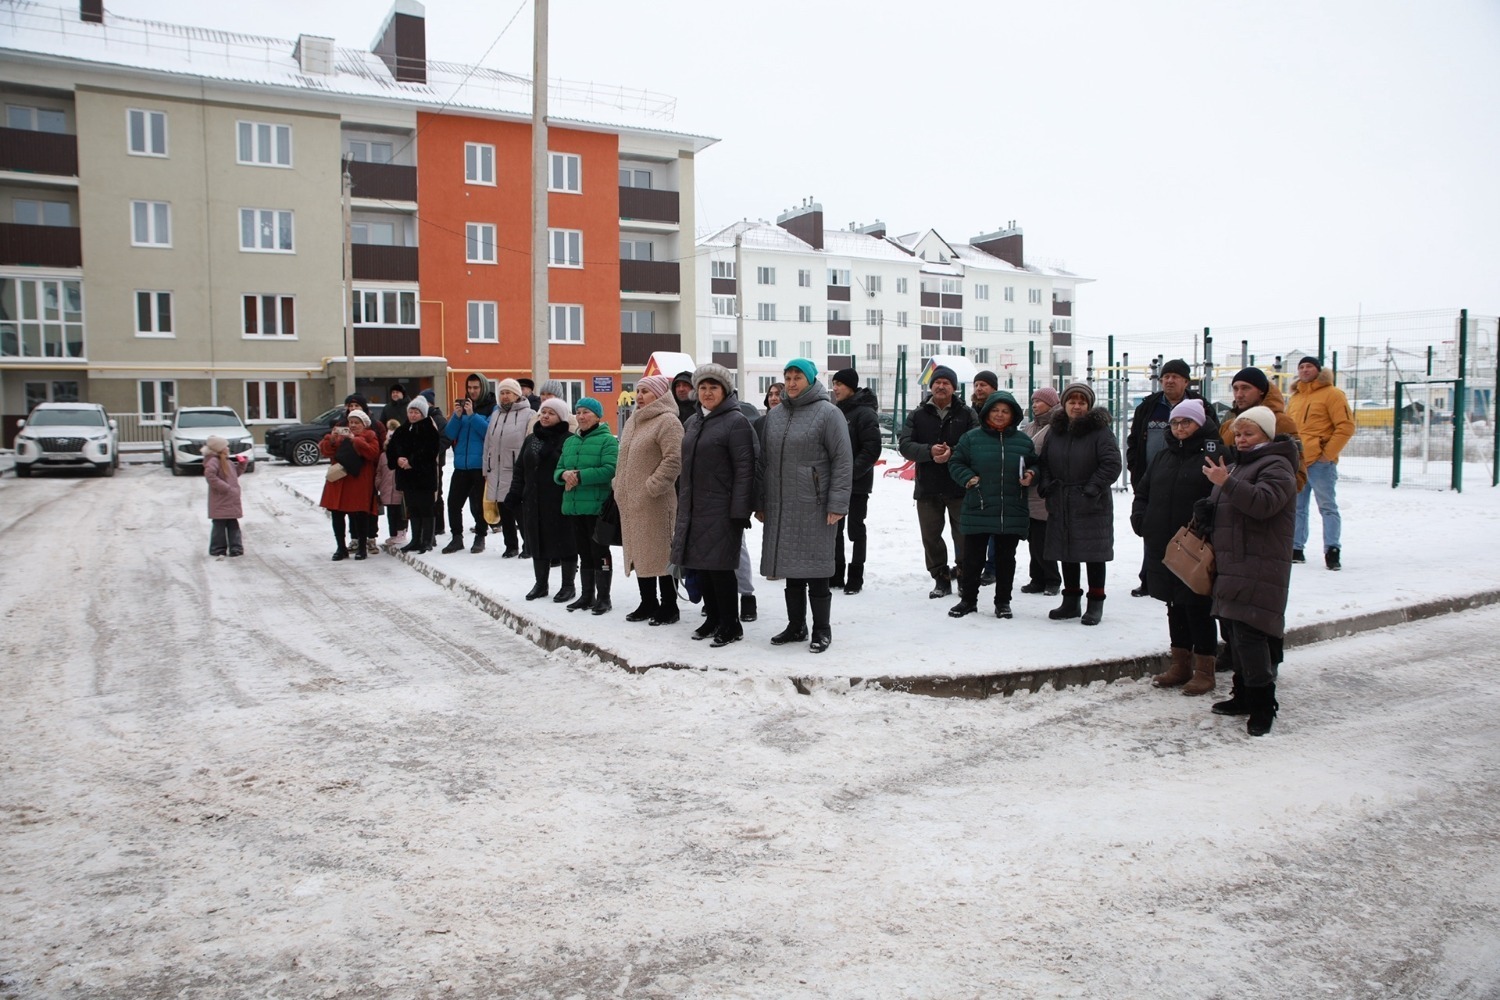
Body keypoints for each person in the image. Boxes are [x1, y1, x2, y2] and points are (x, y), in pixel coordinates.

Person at [1202, 405, 1299, 736]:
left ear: (1267, 435)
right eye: (1238, 434)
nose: (1241, 440)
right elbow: (1231, 505)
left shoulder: (1277, 465)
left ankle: (1263, 705)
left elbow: (1264, 503)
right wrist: (1207, 511)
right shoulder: (1238, 465)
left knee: (1250, 634)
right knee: (1234, 632)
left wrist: (1226, 484)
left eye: (1249, 434)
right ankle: (1242, 695)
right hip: (1233, 561)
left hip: (1259, 561)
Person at [757, 358, 853, 653]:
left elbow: (842, 460)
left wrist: (837, 503)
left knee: (817, 569)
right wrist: (761, 502)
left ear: (810, 380)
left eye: (797, 377)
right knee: (791, 568)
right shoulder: (775, 416)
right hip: (781, 504)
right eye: (787, 378)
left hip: (815, 504)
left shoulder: (829, 413)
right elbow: (764, 462)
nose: (791, 383)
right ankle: (796, 625)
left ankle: (822, 629)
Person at [1131, 398, 1223, 695]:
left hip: (1195, 545)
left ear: (1200, 424)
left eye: (1187, 422)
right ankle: (1180, 664)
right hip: (1163, 541)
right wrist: (1140, 518)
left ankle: (1205, 670)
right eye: (1175, 422)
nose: (1180, 428)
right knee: (1173, 604)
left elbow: (1221, 496)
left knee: (1197, 606)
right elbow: (1143, 491)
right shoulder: (1163, 455)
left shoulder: (1212, 455)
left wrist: (1206, 526)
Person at [671, 363, 757, 647]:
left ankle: (731, 624)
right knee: (702, 566)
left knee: (721, 569)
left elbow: (745, 469)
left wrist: (740, 510)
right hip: (694, 506)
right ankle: (713, 618)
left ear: (725, 391)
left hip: (722, 507)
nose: (707, 393)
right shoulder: (693, 422)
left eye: (713, 388)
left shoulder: (736, 422)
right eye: (703, 388)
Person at [1035, 381, 1122, 625]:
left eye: (1082, 402)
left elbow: (1112, 464)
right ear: (1064, 404)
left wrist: (1091, 489)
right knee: (1066, 552)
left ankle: (1095, 602)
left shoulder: (1100, 431)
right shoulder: (1056, 430)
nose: (1077, 406)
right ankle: (1071, 601)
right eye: (1072, 401)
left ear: (1089, 405)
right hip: (1061, 500)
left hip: (1092, 503)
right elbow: (1044, 462)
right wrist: (1047, 485)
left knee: (1094, 554)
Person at [1126, 359, 1213, 596]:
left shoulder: (1202, 407)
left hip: (1188, 480)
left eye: (1175, 376)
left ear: (1186, 381)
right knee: (1153, 530)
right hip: (1153, 478)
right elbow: (1134, 441)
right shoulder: (1148, 407)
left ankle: (1187, 574)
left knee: (1186, 532)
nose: (1169, 380)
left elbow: (1212, 439)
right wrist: (1136, 471)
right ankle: (1149, 578)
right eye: (1166, 376)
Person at [947, 391, 1035, 620]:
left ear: (1013, 415)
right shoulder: (971, 438)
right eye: (995, 410)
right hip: (979, 506)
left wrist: (1031, 474)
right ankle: (968, 601)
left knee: (1006, 560)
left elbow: (1036, 465)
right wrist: (967, 477)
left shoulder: (1023, 441)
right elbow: (956, 462)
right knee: (972, 559)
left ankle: (1003, 602)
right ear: (987, 412)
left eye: (1005, 411)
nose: (999, 415)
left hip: (1011, 509)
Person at [897, 365, 977, 598]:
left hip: (959, 486)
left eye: (946, 383)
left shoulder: (967, 414)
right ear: (931, 386)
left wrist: (953, 452)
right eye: (937, 382)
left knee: (964, 535)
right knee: (931, 536)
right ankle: (940, 578)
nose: (941, 386)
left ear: (954, 387)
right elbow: (905, 445)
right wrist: (929, 451)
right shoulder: (917, 414)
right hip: (928, 487)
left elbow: (975, 442)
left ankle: (964, 576)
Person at [613, 374, 684, 625]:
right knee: (640, 552)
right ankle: (648, 602)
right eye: (638, 391)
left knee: (661, 553)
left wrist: (652, 486)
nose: (639, 396)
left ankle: (669, 606)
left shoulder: (668, 421)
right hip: (631, 502)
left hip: (656, 501)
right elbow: (624, 458)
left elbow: (674, 458)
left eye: (645, 391)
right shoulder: (633, 420)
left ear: (660, 394)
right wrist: (618, 485)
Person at [505, 398, 578, 601]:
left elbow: (571, 467)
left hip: (559, 499)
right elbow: (520, 469)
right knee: (537, 540)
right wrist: (515, 493)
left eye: (551, 413)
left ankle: (568, 585)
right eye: (543, 412)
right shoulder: (531, 439)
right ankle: (541, 584)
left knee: (566, 541)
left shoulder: (569, 440)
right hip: (533, 499)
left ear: (561, 417)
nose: (545, 416)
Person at [1287, 356, 1354, 570]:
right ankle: (1296, 548)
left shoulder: (1333, 394)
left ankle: (1332, 550)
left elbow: (1346, 426)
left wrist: (1327, 454)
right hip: (1298, 460)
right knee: (1297, 507)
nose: (1305, 370)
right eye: (1301, 367)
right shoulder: (1296, 397)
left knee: (1327, 507)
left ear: (1318, 370)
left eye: (1309, 366)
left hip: (1321, 462)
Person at [556, 398, 618, 614]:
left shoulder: (608, 441)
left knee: (599, 551)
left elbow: (610, 469)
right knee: (583, 552)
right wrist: (563, 475)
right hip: (574, 506)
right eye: (579, 412)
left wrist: (579, 476)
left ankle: (604, 598)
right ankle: (586, 595)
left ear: (598, 416)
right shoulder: (570, 442)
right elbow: (558, 468)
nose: (581, 416)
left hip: (597, 507)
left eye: (586, 412)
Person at [829, 368, 881, 594]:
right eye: (834, 384)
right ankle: (836, 573)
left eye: (839, 384)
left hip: (857, 483)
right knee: (835, 529)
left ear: (851, 386)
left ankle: (856, 576)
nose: (835, 388)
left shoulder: (865, 413)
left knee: (855, 529)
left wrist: (849, 474)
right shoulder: (836, 411)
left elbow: (871, 449)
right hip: (836, 483)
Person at [318, 408, 381, 561]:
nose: (352, 425)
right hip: (339, 481)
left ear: (364, 424)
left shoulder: (370, 436)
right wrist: (332, 440)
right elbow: (325, 450)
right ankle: (341, 548)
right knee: (337, 514)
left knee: (360, 514)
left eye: (356, 423)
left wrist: (356, 440)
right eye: (351, 422)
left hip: (358, 482)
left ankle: (362, 548)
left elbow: (373, 454)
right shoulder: (340, 437)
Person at [482, 378, 534, 557]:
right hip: (496, 470)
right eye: (502, 393)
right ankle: (510, 546)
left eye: (508, 393)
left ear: (517, 394)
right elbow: (488, 443)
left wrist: (527, 470)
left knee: (519, 510)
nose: (504, 396)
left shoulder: (529, 414)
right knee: (504, 510)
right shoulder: (496, 414)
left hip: (516, 471)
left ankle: (529, 545)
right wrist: (486, 468)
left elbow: (530, 443)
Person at [442, 373, 492, 554]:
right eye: (469, 388)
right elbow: (449, 434)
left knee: (479, 505)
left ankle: (480, 536)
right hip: (461, 465)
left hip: (479, 465)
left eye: (476, 388)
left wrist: (472, 415)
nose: (472, 391)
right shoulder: (462, 409)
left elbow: (488, 432)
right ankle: (457, 537)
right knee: (453, 503)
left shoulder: (491, 408)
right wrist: (457, 416)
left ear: (483, 388)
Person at [1020, 386, 1062, 596]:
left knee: (1042, 538)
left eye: (1039, 401)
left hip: (1045, 490)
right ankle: (1036, 578)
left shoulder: (1057, 426)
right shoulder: (1030, 427)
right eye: (1033, 401)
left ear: (1051, 403)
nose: (1034, 405)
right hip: (1029, 489)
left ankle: (1052, 579)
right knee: (1033, 538)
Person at [388, 398, 442, 553]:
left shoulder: (429, 429)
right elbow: (391, 448)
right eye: (410, 412)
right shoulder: (402, 429)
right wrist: (397, 459)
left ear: (423, 414)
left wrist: (412, 462)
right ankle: (415, 539)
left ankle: (427, 540)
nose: (413, 415)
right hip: (407, 477)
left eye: (416, 412)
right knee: (413, 508)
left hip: (423, 476)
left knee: (426, 508)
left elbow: (430, 451)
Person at [202, 434, 245, 558]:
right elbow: (210, 476)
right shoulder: (213, 461)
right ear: (219, 449)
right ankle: (217, 549)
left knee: (233, 524)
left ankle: (236, 548)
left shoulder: (227, 461)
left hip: (230, 499)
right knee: (219, 525)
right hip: (221, 499)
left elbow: (234, 475)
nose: (228, 448)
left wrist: (242, 465)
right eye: (225, 446)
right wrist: (225, 487)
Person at [375, 420, 406, 548]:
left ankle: (401, 532)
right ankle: (393, 533)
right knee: (391, 513)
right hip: (386, 489)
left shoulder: (403, 454)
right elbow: (379, 472)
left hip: (399, 489)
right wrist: (379, 484)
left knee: (400, 512)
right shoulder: (383, 456)